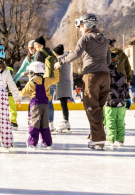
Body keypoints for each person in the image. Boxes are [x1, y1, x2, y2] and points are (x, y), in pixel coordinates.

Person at [54, 14, 111, 150]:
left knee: (91, 108)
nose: (80, 29)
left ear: (86, 25)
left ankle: (98, 140)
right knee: (98, 108)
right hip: (105, 76)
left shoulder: (85, 38)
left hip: (91, 76)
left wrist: (60, 62)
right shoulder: (105, 39)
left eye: (80, 26)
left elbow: (76, 54)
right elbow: (108, 61)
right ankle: (94, 136)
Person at [19, 62, 59, 149]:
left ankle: (32, 142)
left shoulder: (31, 82)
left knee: (35, 123)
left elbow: (22, 94)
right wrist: (56, 70)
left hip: (35, 106)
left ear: (33, 71)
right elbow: (56, 79)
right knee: (45, 123)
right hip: (45, 105)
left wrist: (17, 91)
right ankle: (48, 142)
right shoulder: (47, 80)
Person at [103, 53, 130, 147]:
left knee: (110, 121)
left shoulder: (105, 75)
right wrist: (127, 99)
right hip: (121, 103)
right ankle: (121, 140)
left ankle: (111, 139)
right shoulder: (122, 75)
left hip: (109, 102)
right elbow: (125, 88)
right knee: (120, 121)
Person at [33, 36, 57, 131]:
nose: (34, 46)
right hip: (52, 80)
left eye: (35, 44)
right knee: (50, 102)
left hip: (42, 81)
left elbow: (36, 67)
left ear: (40, 44)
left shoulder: (39, 53)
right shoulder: (51, 52)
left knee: (40, 102)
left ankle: (41, 123)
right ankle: (51, 124)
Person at [52, 45, 73, 133]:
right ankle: (66, 121)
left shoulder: (60, 60)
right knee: (64, 103)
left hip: (62, 83)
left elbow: (55, 70)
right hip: (66, 82)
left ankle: (66, 121)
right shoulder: (66, 59)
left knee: (63, 103)